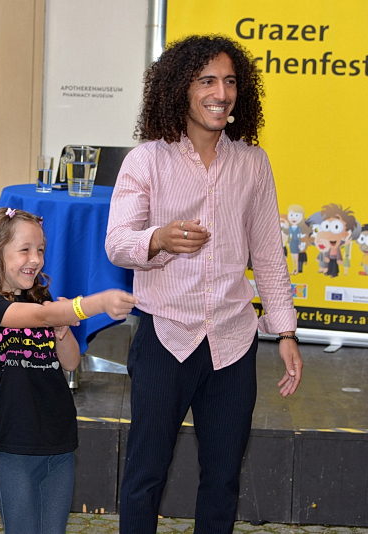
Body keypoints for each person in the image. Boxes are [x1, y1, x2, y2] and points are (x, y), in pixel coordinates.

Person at [104, 35, 304, 534]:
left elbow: (269, 256)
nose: (222, 93)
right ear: (180, 88)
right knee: (145, 475)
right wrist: (159, 238)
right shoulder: (147, 160)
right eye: (207, 81)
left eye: (230, 82)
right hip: (165, 337)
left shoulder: (253, 163)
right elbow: (117, 244)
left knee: (223, 478)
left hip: (233, 342)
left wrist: (285, 332)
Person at [0, 207, 136, 534]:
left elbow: (71, 362)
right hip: (16, 443)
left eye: (40, 250)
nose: (36, 259)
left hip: (59, 438)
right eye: (24, 250)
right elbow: (39, 317)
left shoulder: (41, 298)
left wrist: (62, 330)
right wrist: (95, 303)